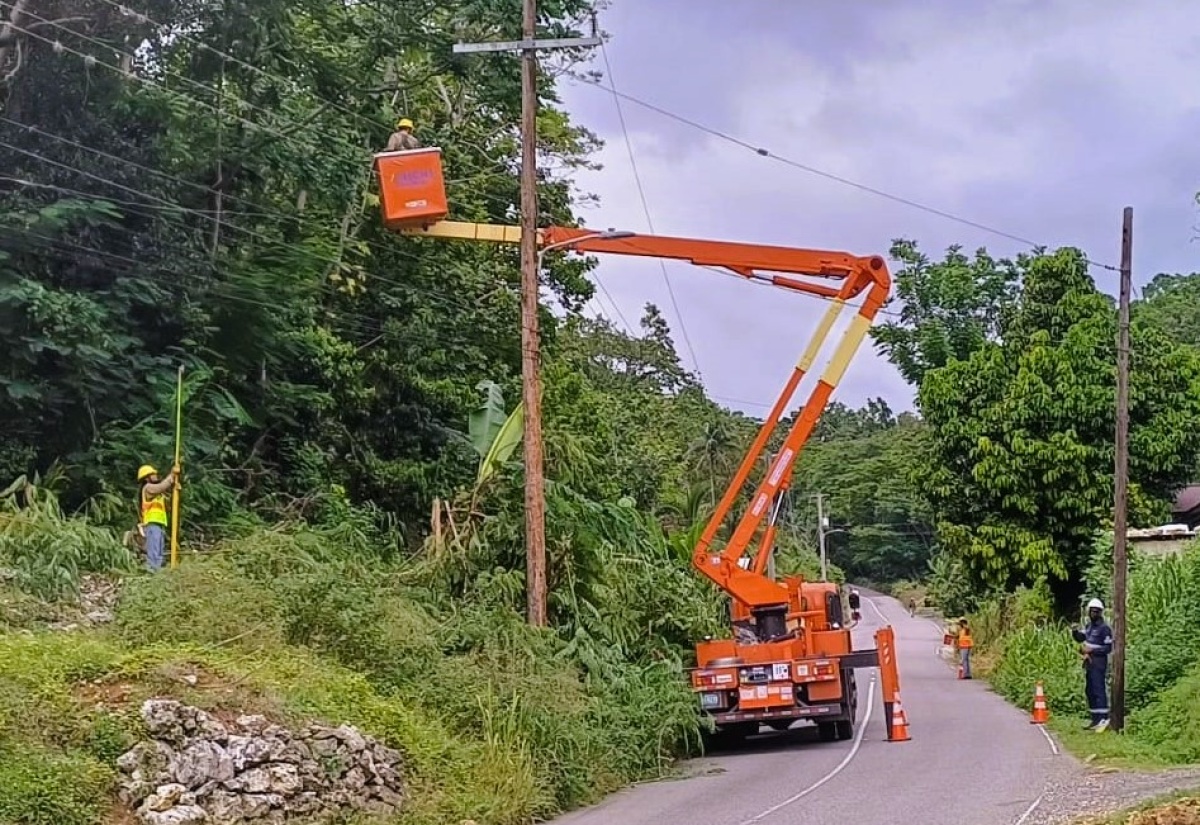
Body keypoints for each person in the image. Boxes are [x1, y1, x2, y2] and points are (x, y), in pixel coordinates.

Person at [1072, 598, 1114, 731]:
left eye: (1096, 611)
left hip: (1098, 663)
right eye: (1091, 611)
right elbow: (1081, 638)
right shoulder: (1089, 626)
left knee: (1098, 690)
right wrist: (1074, 632)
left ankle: (1103, 718)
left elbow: (1108, 648)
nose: (1093, 614)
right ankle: (1095, 719)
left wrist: (1092, 650)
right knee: (1089, 691)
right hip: (1089, 663)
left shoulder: (1104, 629)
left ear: (1100, 612)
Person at [137, 464, 177, 572]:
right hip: (152, 523)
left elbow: (167, 500)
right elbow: (162, 486)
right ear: (147, 478)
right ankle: (152, 571)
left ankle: (157, 572)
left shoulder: (157, 493)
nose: (156, 475)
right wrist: (172, 475)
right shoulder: (148, 488)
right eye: (152, 474)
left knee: (159, 550)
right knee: (154, 551)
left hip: (159, 523)